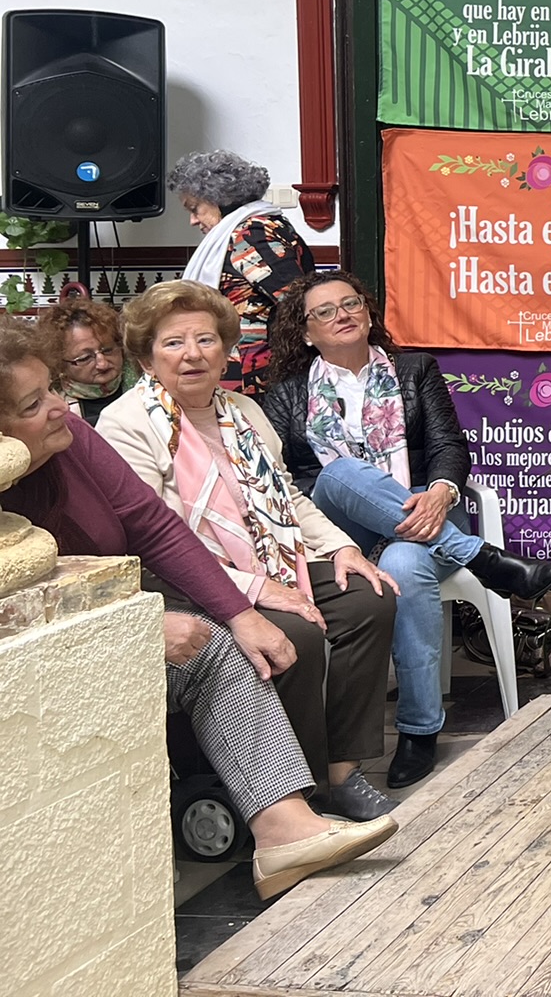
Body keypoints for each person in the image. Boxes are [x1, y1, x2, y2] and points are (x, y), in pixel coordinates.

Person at [0, 321, 396, 898]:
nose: (61, 407)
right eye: (34, 405)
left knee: (261, 631)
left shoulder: (73, 437)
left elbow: (152, 526)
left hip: (126, 612)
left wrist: (240, 612)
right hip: (52, 662)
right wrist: (140, 627)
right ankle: (285, 818)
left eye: (54, 388)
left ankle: (290, 825)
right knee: (235, 648)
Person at [97, 279, 401, 819]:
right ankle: (298, 796)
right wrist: (258, 589)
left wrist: (341, 547)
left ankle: (341, 769)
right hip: (189, 579)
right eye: (173, 343)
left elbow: (289, 496)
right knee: (296, 634)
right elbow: (154, 539)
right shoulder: (125, 424)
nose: (192, 354)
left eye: (206, 340)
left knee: (369, 598)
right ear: (146, 358)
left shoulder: (244, 410)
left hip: (272, 555)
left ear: (226, 351)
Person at [260, 272, 551, 788]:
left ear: (368, 312)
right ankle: (482, 558)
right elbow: (281, 478)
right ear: (306, 332)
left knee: (404, 563)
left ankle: (420, 730)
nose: (342, 315)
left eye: (351, 303)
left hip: (426, 515)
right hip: (337, 529)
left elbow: (449, 445)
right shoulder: (287, 394)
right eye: (325, 311)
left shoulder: (415, 370)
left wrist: (441, 491)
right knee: (341, 473)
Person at [166, 149, 319, 395]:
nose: (193, 221)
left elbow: (299, 301)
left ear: (218, 198)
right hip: (252, 371)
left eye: (194, 208)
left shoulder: (251, 234)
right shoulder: (256, 227)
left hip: (255, 377)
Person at [36, 294, 140, 423]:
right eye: (85, 358)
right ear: (59, 364)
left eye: (108, 350)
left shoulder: (145, 385)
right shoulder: (54, 410)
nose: (102, 364)